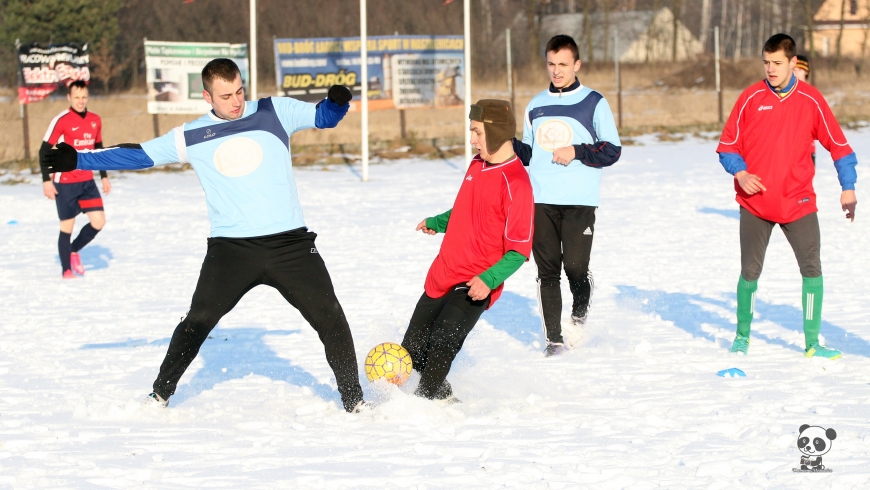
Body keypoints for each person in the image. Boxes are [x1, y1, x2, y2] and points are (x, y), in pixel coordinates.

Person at [42, 58, 367, 412]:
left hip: (290, 244)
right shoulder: (192, 135)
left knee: (331, 317)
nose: (236, 101)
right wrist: (80, 161)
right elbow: (140, 155)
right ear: (207, 96)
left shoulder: (275, 111)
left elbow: (323, 118)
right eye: (226, 95)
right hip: (231, 250)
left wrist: (337, 102)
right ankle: (160, 394)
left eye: (240, 90)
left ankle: (354, 401)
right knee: (198, 321)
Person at [717, 34, 858, 359]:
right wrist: (740, 173)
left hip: (799, 202)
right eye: (766, 62)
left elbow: (839, 147)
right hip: (756, 203)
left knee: (812, 269)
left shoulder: (811, 100)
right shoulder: (751, 98)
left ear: (794, 63)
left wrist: (847, 187)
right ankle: (742, 337)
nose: (770, 69)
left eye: (777, 63)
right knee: (749, 271)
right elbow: (727, 147)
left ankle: (812, 344)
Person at [402, 99, 534, 402]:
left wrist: (488, 280)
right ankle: (441, 393)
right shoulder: (477, 165)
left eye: (477, 132)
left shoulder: (517, 184)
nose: (472, 140)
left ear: (498, 132)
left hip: (476, 281)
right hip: (445, 271)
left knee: (443, 341)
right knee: (413, 349)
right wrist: (438, 221)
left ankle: (423, 405)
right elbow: (467, 209)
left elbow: (519, 250)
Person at [512, 35, 622, 356]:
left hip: (579, 200)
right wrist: (506, 143)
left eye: (563, 64)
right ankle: (554, 340)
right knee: (547, 272)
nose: (556, 71)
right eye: (551, 64)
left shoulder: (593, 102)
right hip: (541, 200)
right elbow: (530, 153)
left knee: (575, 267)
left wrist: (575, 150)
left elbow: (611, 150)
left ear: (577, 64)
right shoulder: (535, 105)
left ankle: (579, 312)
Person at [39, 80, 111, 279]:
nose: (81, 101)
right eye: (77, 97)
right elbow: (44, 150)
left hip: (87, 181)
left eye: (84, 97)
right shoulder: (61, 120)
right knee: (67, 227)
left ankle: (72, 251)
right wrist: (46, 180)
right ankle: (66, 271)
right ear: (69, 97)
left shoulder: (95, 119)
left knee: (99, 221)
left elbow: (98, 151)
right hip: (65, 182)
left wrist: (104, 176)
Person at [793, 55, 817, 166]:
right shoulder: (782, 94)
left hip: (806, 151)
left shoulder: (812, 95)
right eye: (793, 70)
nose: (796, 73)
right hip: (784, 151)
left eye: (799, 70)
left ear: (806, 72)